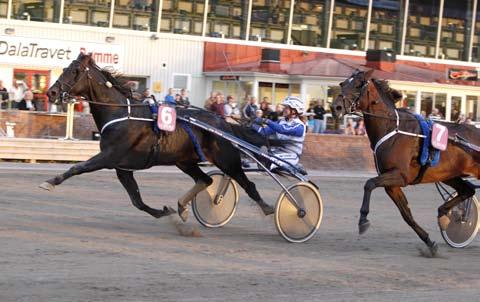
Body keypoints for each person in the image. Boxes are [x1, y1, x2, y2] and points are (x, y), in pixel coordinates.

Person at [251, 96, 306, 167]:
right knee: (258, 152)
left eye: (286, 108)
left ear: (294, 111)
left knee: (269, 159)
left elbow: (282, 129)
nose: (283, 109)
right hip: (277, 151)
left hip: (292, 155)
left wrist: (266, 121)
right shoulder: (281, 121)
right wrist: (252, 125)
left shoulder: (299, 126)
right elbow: (264, 131)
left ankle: (265, 161)